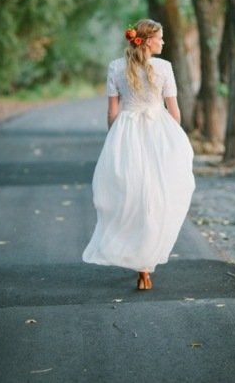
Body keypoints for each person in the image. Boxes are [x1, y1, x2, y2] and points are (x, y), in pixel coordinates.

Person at [82, 18, 195, 290]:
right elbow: (174, 112)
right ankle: (146, 264)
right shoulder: (164, 68)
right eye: (160, 38)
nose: (164, 42)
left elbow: (112, 112)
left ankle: (138, 259)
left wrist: (115, 138)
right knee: (157, 196)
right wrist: (173, 141)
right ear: (147, 41)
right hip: (158, 133)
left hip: (127, 133)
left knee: (131, 195)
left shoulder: (115, 67)